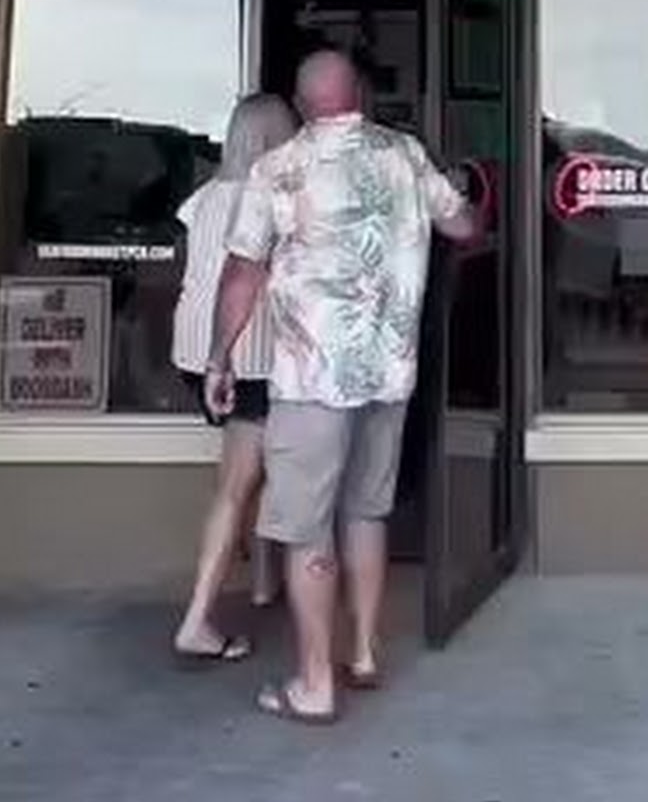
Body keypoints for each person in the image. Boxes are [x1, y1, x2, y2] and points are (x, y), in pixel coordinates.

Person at [206, 48, 482, 724]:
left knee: (306, 532)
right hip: (389, 376)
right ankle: (360, 654)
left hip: (310, 382)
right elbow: (465, 227)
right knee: (365, 512)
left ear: (301, 107)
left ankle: (313, 686)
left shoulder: (279, 168)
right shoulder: (406, 155)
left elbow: (242, 275)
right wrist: (465, 189)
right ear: (358, 93)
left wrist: (220, 359)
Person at [170, 91, 296, 663]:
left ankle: (267, 580)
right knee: (236, 486)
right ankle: (197, 620)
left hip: (195, 355)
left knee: (252, 468)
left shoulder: (202, 199)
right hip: (250, 358)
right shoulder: (275, 198)